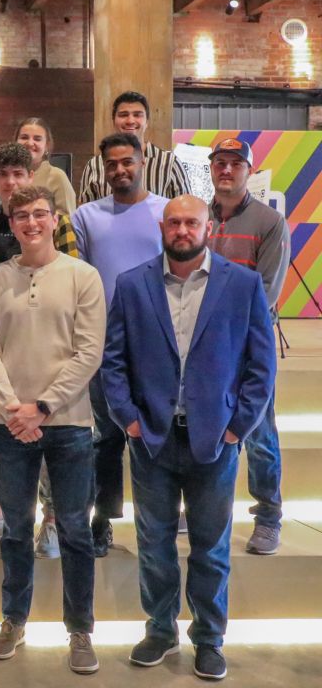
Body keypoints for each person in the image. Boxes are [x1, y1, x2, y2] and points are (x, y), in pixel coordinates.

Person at [102, 195, 276, 681]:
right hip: (151, 438)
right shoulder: (133, 285)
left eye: (191, 222)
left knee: (211, 545)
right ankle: (159, 630)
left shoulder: (241, 285)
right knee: (153, 543)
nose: (182, 230)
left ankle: (208, 638)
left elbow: (261, 366)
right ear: (163, 227)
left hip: (216, 440)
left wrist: (238, 426)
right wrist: (127, 418)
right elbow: (113, 362)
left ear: (207, 228)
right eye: (174, 222)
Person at [0, 185, 106, 675]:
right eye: (21, 216)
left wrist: (43, 407)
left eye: (39, 215)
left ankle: (80, 630)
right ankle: (14, 619)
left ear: (55, 220)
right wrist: (14, 407)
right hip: (10, 423)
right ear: (11, 225)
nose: (31, 223)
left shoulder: (82, 277)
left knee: (73, 528)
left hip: (68, 422)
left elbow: (88, 352)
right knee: (14, 528)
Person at [0, 143, 78, 557]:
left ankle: (53, 521)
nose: (10, 182)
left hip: (46, 355)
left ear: (31, 177)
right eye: (3, 175)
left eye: (18, 175)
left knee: (45, 437)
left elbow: (71, 291)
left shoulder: (56, 226)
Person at [72, 132, 169, 558]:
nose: (120, 170)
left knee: (157, 434)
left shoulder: (167, 212)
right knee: (106, 437)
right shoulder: (86, 217)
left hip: (156, 343)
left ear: (142, 158)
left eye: (127, 161)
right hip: (104, 345)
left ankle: (160, 518)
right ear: (102, 169)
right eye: (112, 164)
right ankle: (102, 518)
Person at [205, 138, 289, 555]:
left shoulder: (269, 222)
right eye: (220, 162)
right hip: (204, 347)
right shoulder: (198, 218)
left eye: (235, 164)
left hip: (249, 345)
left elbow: (267, 291)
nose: (226, 170)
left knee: (257, 431)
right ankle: (202, 508)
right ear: (211, 169)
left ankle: (269, 516)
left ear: (249, 172)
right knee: (204, 426)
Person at [78, 91, 190, 205]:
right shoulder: (94, 165)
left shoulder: (170, 163)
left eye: (137, 115)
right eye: (123, 115)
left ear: (147, 122)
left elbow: (187, 209)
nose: (130, 121)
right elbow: (85, 211)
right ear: (113, 121)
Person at [15, 117, 75, 215]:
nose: (30, 143)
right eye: (24, 137)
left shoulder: (57, 176)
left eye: (37, 139)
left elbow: (67, 219)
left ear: (47, 145)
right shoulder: (6, 177)